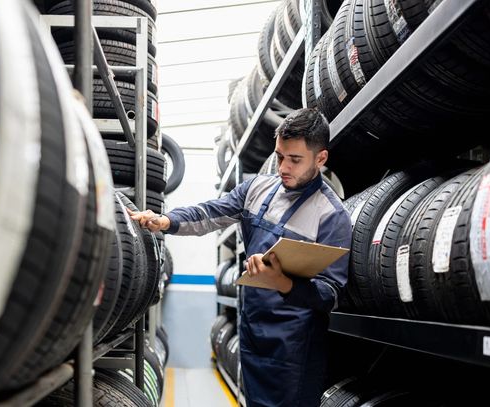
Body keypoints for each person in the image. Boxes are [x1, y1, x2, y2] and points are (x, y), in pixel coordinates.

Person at [128, 108, 352, 407]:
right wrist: (166, 220)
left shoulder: (331, 215)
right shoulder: (258, 189)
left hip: (294, 348)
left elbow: (331, 295)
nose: (283, 167)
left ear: (320, 159)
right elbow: (209, 213)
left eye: (295, 160)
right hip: (252, 333)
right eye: (280, 156)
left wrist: (283, 283)